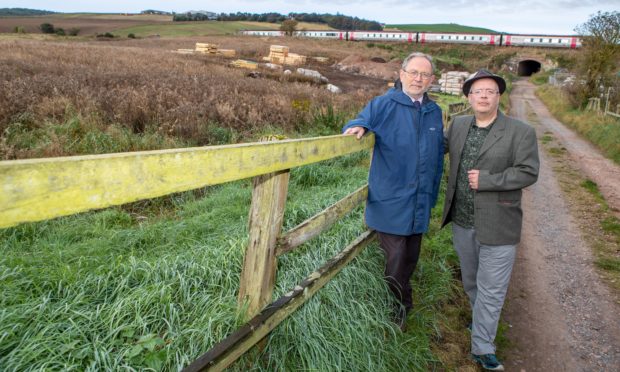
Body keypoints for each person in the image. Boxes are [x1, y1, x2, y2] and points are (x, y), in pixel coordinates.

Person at [442, 69, 539, 371]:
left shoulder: (520, 131)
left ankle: (483, 347)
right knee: (472, 282)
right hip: (462, 220)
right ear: (468, 97)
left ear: (499, 97)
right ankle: (479, 323)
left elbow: (528, 172)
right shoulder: (457, 125)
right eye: (477, 92)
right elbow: (431, 146)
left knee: (492, 288)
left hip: (499, 223)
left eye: (490, 91)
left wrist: (489, 180)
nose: (483, 96)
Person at [342, 52, 444, 331]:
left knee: (410, 257)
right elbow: (357, 122)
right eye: (413, 72)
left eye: (424, 74)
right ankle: (397, 308)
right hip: (392, 201)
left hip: (421, 202)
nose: (418, 78)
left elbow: (436, 153)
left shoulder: (434, 111)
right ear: (401, 74)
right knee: (395, 261)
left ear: (431, 80)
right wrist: (358, 125)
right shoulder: (384, 104)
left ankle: (397, 303)